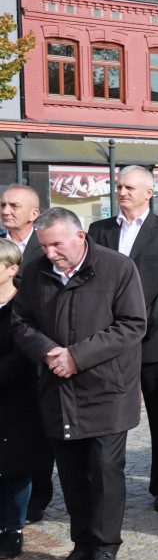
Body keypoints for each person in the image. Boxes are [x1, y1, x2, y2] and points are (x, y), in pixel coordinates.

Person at [11, 207, 147, 560]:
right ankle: (82, 547)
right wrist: (48, 352)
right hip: (58, 388)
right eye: (44, 246)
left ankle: (105, 551)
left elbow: (133, 325)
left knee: (105, 472)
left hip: (107, 389)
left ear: (80, 237)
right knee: (70, 475)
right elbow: (20, 322)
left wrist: (77, 356)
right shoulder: (36, 269)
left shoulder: (118, 268)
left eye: (57, 244)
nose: (50, 253)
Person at [87, 165, 158, 513]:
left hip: (154, 343)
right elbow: (90, 284)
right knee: (107, 417)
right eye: (119, 186)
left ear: (149, 192)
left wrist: (139, 328)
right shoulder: (98, 230)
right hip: (107, 342)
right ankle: (104, 482)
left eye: (130, 187)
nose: (122, 192)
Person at [1, 185, 51, 524]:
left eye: (13, 205)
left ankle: (38, 498)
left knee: (37, 432)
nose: (6, 210)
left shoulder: (44, 247)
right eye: (2, 204)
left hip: (37, 352)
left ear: (33, 213)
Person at [0, 239, 46, 559]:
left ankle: (13, 528)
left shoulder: (24, 306)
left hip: (18, 397)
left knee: (15, 466)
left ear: (12, 269)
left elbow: (24, 353)